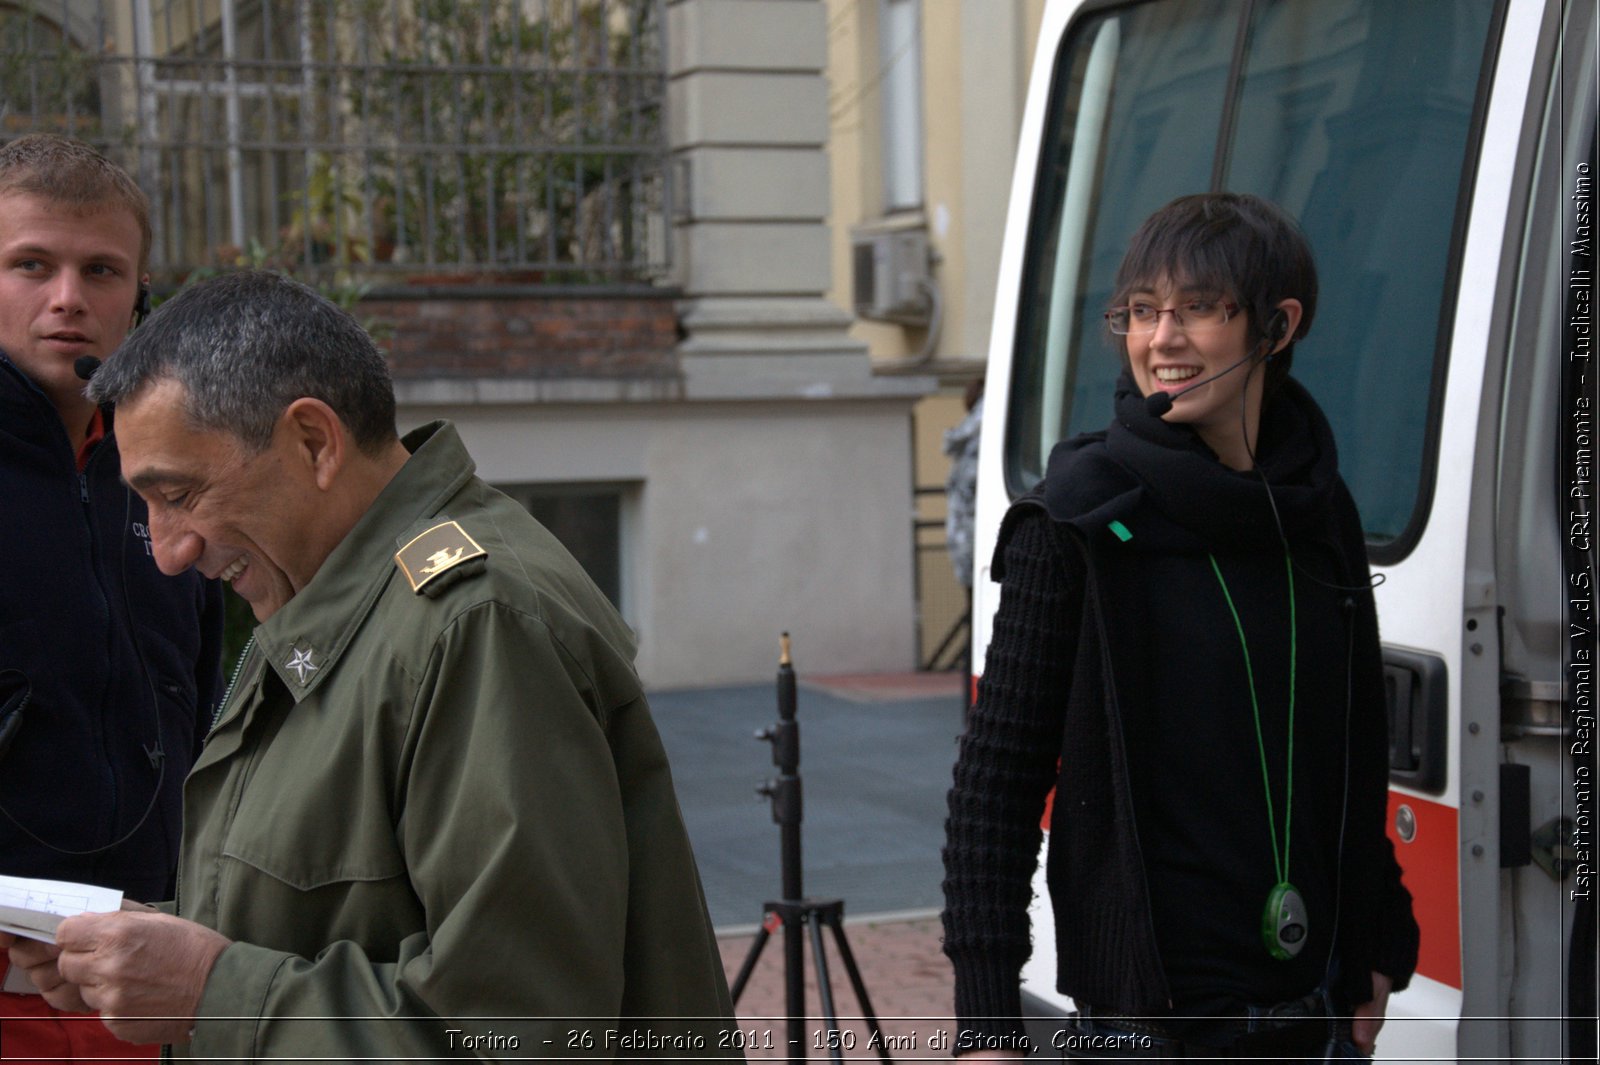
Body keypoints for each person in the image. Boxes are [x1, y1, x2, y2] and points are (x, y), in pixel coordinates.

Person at [1, 271, 737, 1059]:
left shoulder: (472, 621)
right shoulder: (331, 589)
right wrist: (145, 947)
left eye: (179, 493)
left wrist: (209, 993)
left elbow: (523, 1028)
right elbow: (339, 907)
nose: (170, 550)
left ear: (314, 442)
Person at [941, 193, 1419, 1061]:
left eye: (1199, 308)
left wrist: (1380, 943)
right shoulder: (1081, 516)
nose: (1162, 339)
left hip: (1314, 1013)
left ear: (1277, 326)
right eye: (1141, 312)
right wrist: (985, 1024)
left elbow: (1348, 748)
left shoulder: (1321, 509)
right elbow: (995, 783)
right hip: (1150, 1027)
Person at [0, 134, 224, 1063]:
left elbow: (207, 695)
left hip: (144, 960)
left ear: (138, 293)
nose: (67, 299)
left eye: (100, 269)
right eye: (30, 265)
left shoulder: (172, 468)